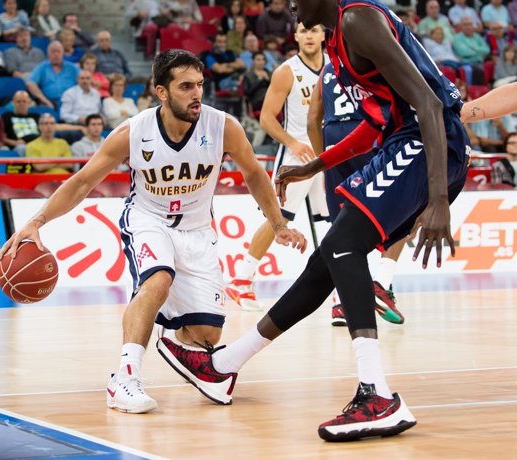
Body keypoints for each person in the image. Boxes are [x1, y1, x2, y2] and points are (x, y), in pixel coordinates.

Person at [158, 0, 470, 442]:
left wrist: (438, 198)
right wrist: (314, 165)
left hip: (428, 142)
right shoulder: (338, 41)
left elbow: (428, 102)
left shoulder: (359, 20)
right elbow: (377, 123)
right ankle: (222, 367)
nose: (289, 6)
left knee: (344, 246)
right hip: (409, 140)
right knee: (326, 261)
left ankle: (377, 394)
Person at [0, 49, 306, 414]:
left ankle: (166, 334)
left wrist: (279, 224)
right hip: (148, 219)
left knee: (206, 336)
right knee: (156, 281)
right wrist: (37, 221)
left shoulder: (223, 126)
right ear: (162, 91)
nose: (197, 94)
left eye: (200, 85)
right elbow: (82, 183)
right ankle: (124, 379)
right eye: (186, 86)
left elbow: (254, 174)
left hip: (197, 230)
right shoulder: (134, 132)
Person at [225, 23, 327, 312]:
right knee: (277, 220)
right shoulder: (286, 71)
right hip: (297, 157)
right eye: (303, 30)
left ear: (323, 35)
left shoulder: (335, 66)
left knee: (332, 222)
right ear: (295, 36)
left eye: (314, 30)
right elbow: (268, 118)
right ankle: (241, 281)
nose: (309, 35)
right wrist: (292, 143)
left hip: (329, 154)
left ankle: (338, 290)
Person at [308, 62, 406, 326]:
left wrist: (324, 161)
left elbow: (312, 120)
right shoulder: (370, 58)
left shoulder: (326, 69)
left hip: (332, 140)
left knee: (341, 226)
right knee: (405, 211)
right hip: (366, 137)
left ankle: (341, 303)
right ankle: (382, 282)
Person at [26, 41, 79, 108]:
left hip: (71, 103)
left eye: (58, 51)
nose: (56, 54)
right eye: (53, 52)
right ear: (48, 54)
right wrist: (44, 100)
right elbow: (30, 83)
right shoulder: (42, 67)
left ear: (63, 53)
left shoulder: (73, 68)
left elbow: (85, 79)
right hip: (49, 103)